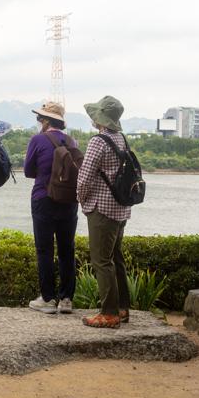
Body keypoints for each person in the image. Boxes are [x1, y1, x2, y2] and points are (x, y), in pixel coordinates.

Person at [76, 95, 131, 328]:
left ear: (99, 118)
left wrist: (81, 200)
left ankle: (109, 314)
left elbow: (84, 177)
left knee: (101, 261)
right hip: (121, 208)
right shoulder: (121, 139)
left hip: (102, 208)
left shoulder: (99, 141)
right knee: (115, 258)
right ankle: (122, 308)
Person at [24, 102, 79, 314]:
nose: (39, 122)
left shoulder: (38, 139)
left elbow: (29, 171)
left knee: (44, 249)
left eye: (40, 118)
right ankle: (66, 300)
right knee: (67, 249)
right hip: (68, 200)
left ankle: (47, 299)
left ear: (46, 121)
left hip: (43, 198)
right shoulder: (71, 140)